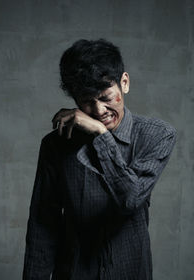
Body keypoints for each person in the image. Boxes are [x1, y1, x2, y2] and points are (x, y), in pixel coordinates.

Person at [23, 39, 176, 280]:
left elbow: (131, 198)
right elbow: (43, 226)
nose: (98, 110)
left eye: (105, 97)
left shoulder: (157, 135)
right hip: (73, 272)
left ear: (124, 83)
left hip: (130, 272)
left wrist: (101, 135)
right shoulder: (55, 145)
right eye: (86, 101)